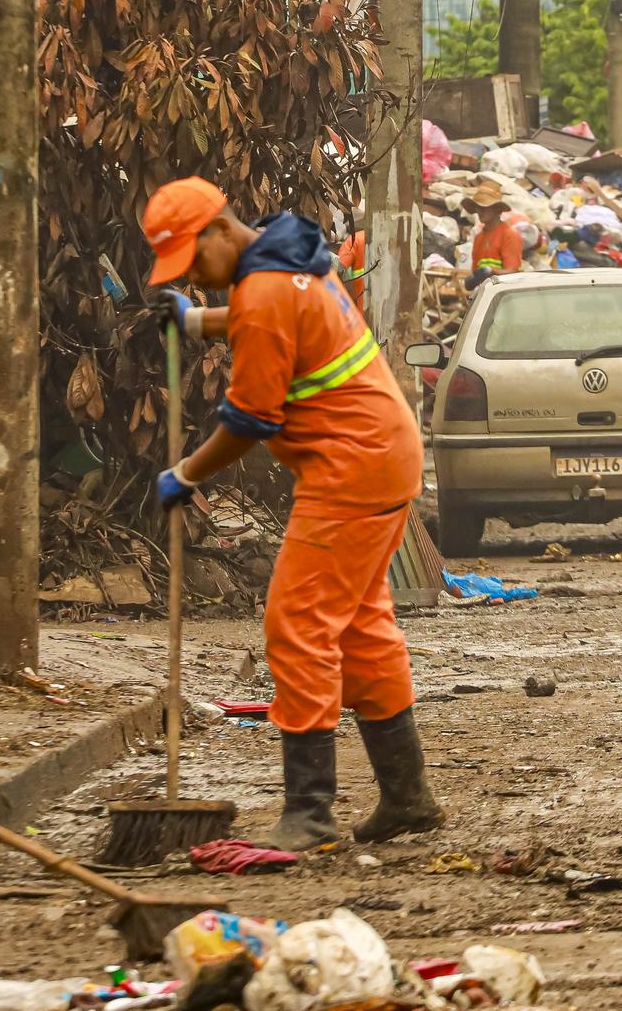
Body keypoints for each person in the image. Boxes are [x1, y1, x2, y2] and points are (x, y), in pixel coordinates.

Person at [142, 178, 444, 850]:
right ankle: (408, 797)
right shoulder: (294, 257)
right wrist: (195, 321)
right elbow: (266, 318)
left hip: (351, 467)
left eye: (193, 261)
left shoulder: (267, 289)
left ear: (221, 229)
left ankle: (309, 813)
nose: (194, 276)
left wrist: (185, 472)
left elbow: (249, 420)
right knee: (360, 626)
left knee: (297, 621)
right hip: (382, 452)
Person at [465, 178, 522, 288]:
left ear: (497, 209)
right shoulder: (478, 238)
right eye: (478, 207)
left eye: (486, 207)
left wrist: (491, 272)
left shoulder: (509, 235)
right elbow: (476, 272)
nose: (481, 211)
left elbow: (513, 273)